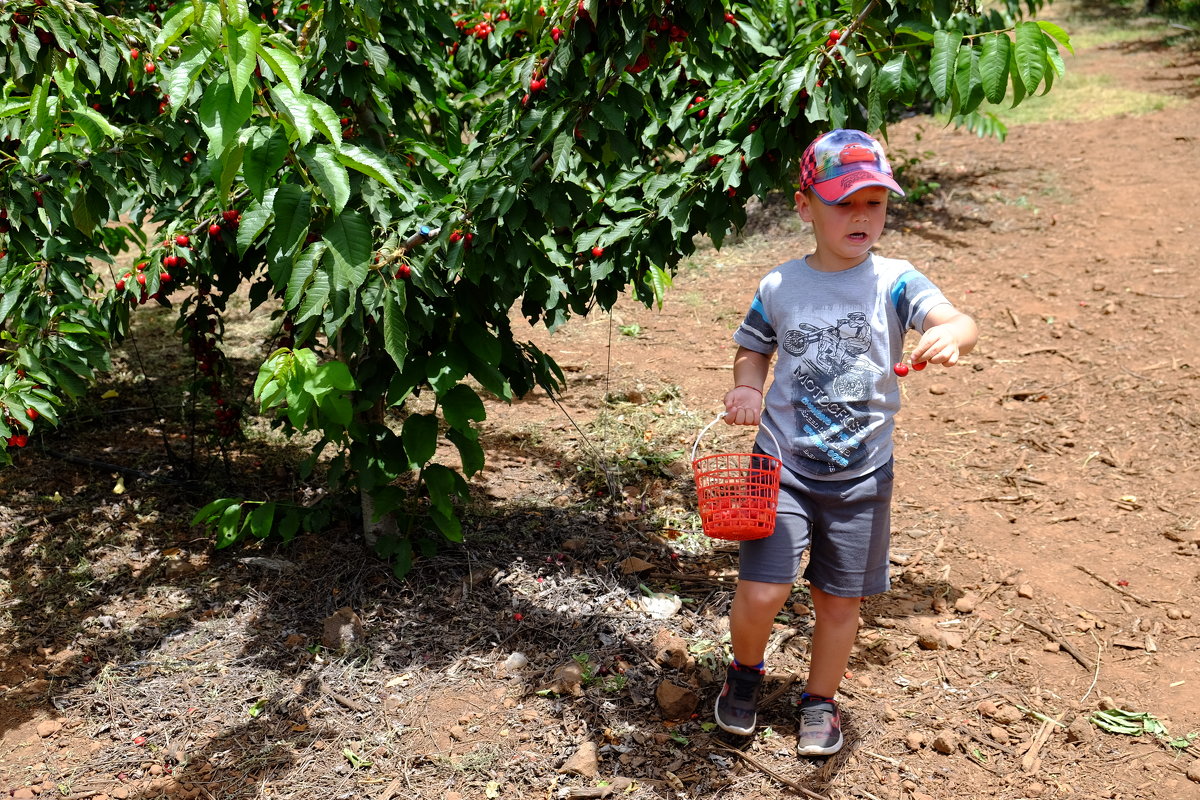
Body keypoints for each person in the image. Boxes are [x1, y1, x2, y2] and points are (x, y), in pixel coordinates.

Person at [714, 128, 978, 756]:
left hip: (863, 471)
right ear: (805, 206)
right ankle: (744, 676)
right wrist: (747, 388)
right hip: (779, 461)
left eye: (875, 203)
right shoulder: (781, 285)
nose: (861, 216)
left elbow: (960, 319)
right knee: (763, 589)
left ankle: (820, 701)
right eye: (843, 202)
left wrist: (951, 338)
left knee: (839, 599)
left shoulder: (896, 280)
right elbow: (752, 349)